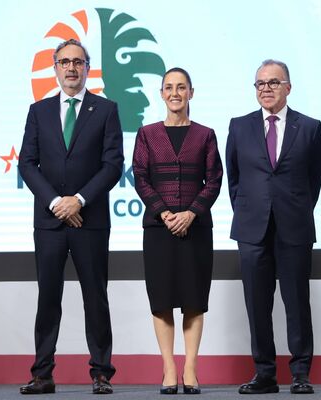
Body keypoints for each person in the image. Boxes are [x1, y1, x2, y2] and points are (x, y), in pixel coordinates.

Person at [18, 39, 124, 395]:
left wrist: (78, 201)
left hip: (89, 221)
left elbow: (113, 165)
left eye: (78, 62)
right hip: (49, 223)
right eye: (64, 62)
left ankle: (102, 373)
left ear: (87, 67)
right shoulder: (38, 111)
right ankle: (42, 374)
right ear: (55, 67)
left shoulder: (106, 110)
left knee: (95, 297)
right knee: (48, 298)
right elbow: (27, 164)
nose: (71, 68)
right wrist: (56, 203)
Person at [226, 60, 321, 395]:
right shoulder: (239, 127)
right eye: (260, 84)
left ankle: (300, 373)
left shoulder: (309, 127)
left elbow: (313, 180)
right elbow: (234, 179)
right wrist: (249, 210)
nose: (266, 89)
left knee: (297, 302)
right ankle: (264, 373)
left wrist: (295, 209)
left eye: (273, 82)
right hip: (251, 229)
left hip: (294, 226)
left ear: (288, 87)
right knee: (257, 305)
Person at [132, 67, 223, 395]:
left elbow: (214, 180)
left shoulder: (206, 134)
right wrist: (165, 212)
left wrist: (191, 213)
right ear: (161, 94)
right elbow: (140, 176)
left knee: (194, 300)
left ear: (191, 93)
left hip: (196, 229)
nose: (175, 93)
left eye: (181, 87)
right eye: (169, 87)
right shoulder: (147, 134)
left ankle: (191, 368)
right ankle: (169, 367)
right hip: (159, 229)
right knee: (162, 300)